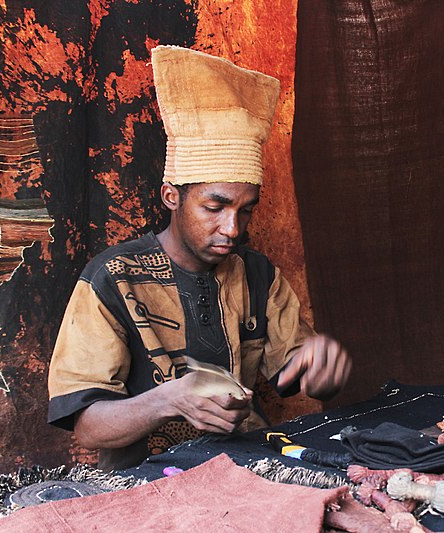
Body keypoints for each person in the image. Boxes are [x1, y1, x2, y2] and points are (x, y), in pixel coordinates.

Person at [47, 45, 351, 471]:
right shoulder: (113, 278)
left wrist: (323, 369)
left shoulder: (257, 274)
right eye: (215, 207)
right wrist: (167, 400)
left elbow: (300, 377)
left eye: (246, 210)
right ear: (172, 196)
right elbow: (88, 427)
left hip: (247, 465)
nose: (233, 228)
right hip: (145, 480)